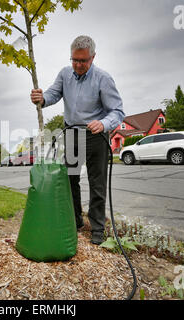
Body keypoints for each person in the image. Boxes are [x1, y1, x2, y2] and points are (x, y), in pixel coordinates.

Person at [30, 35, 125, 245]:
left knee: (97, 183)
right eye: (74, 60)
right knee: (70, 179)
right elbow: (54, 94)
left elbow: (117, 112)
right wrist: (42, 98)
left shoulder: (103, 79)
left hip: (95, 136)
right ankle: (75, 221)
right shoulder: (65, 74)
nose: (78, 65)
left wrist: (104, 123)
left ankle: (97, 228)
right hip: (71, 135)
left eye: (83, 61)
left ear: (93, 57)